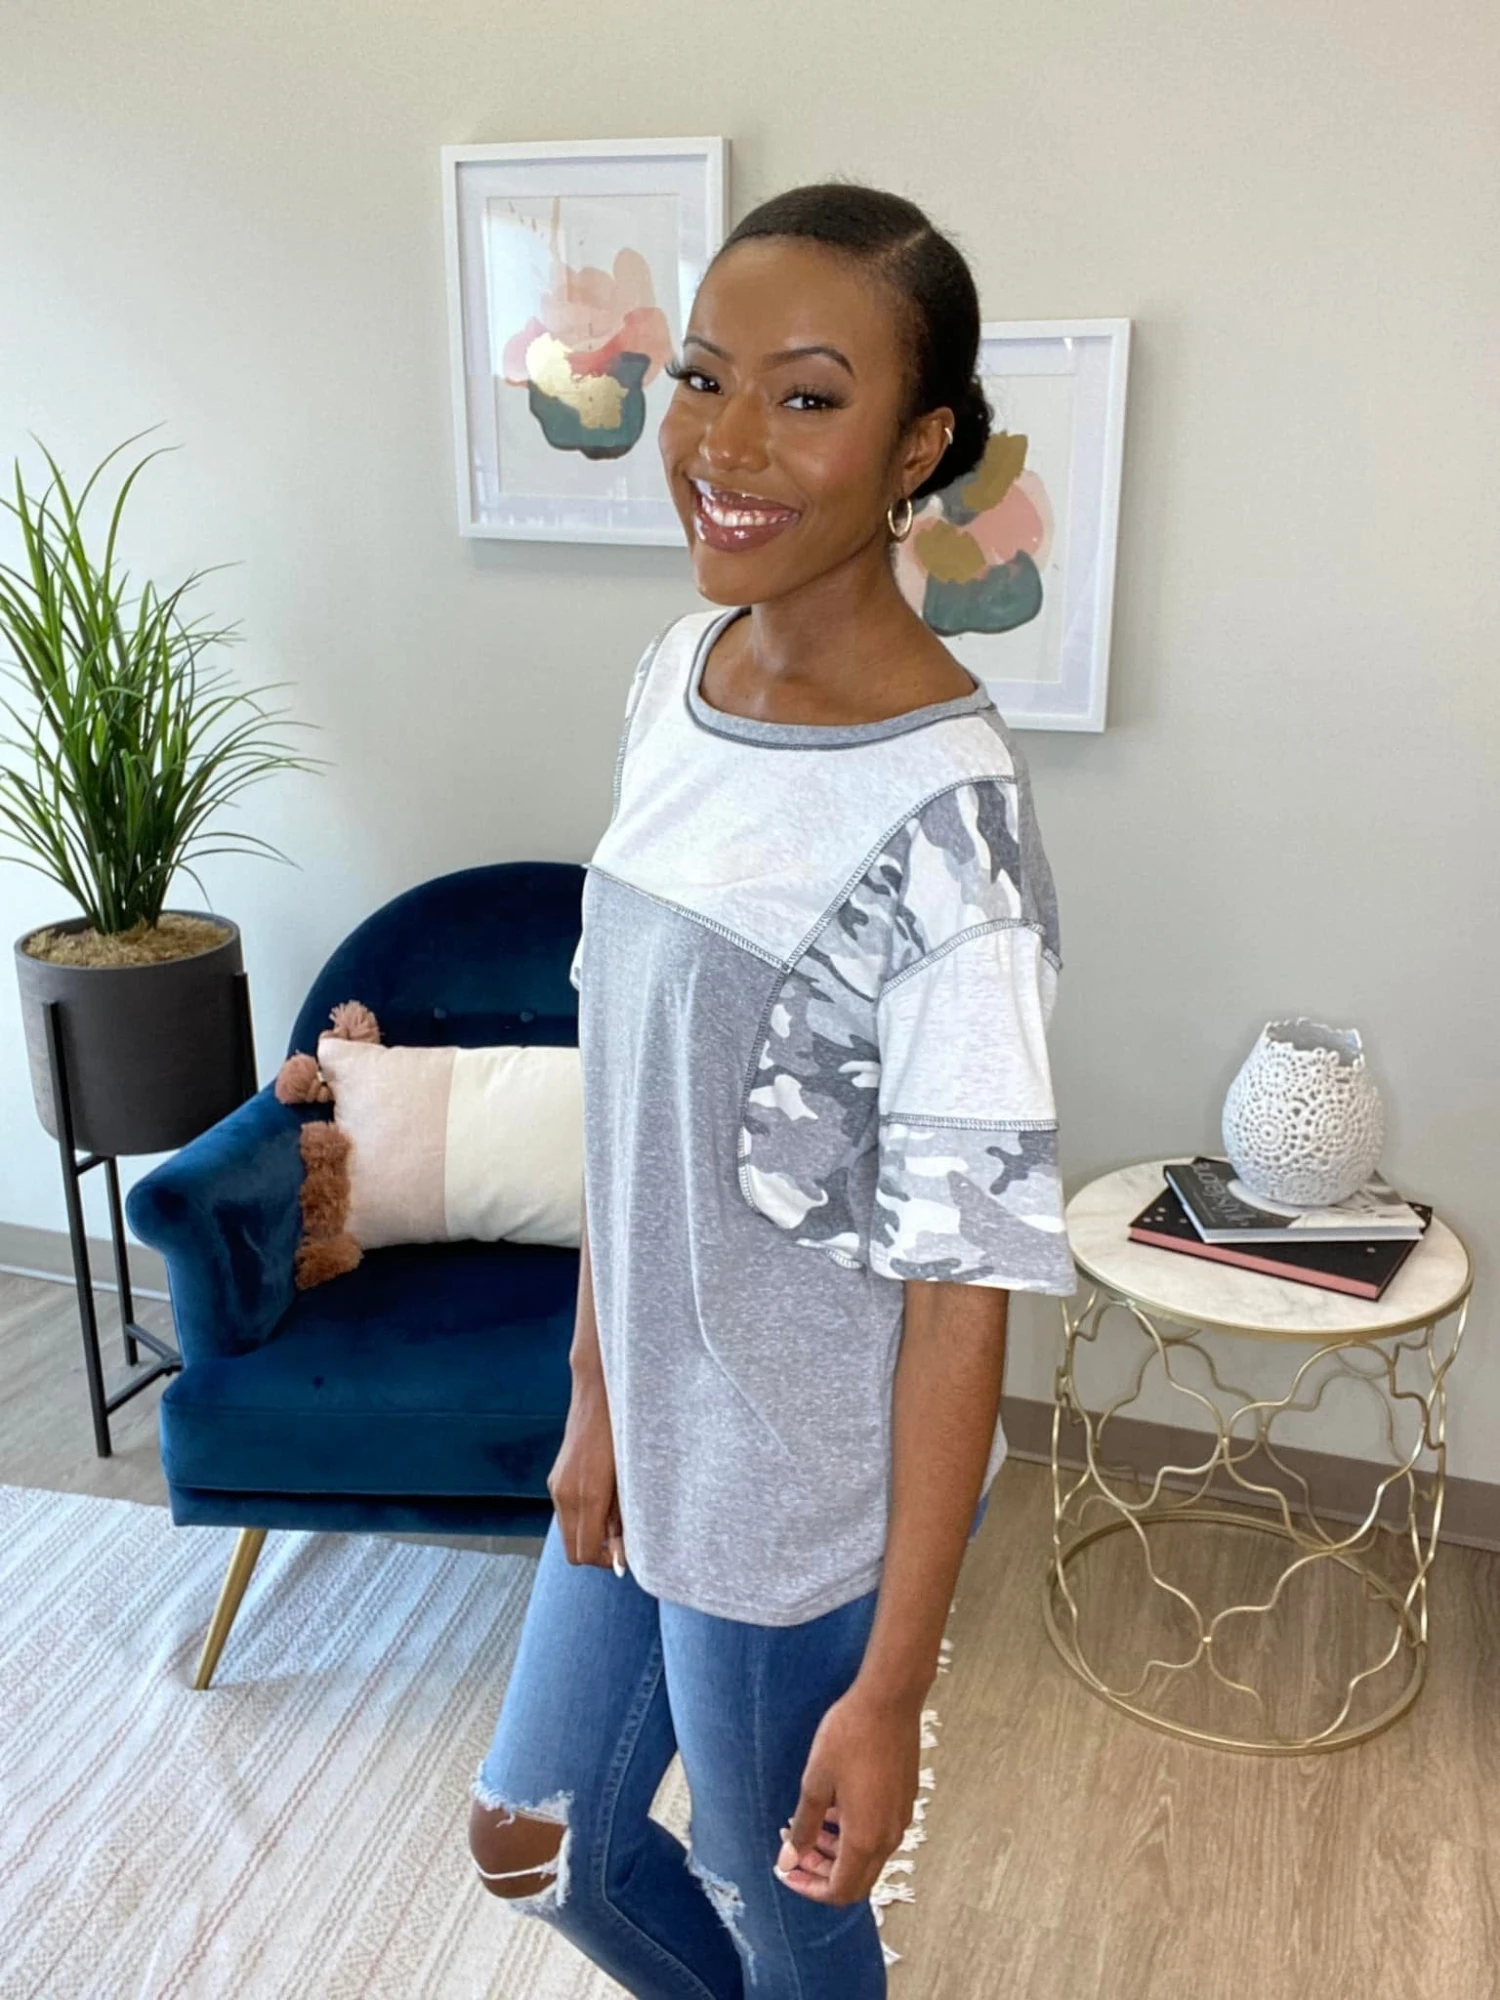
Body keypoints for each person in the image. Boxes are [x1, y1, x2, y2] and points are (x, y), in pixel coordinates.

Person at [467, 180, 1076, 1999]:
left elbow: (963, 1291)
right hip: (645, 1433)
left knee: (779, 1902)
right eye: (704, 378)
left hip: (796, 1506)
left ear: (919, 448)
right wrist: (593, 1393)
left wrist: (890, 1690)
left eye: (807, 397)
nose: (725, 446)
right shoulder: (679, 674)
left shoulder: (949, 822)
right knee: (536, 1843)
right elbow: (624, 1103)